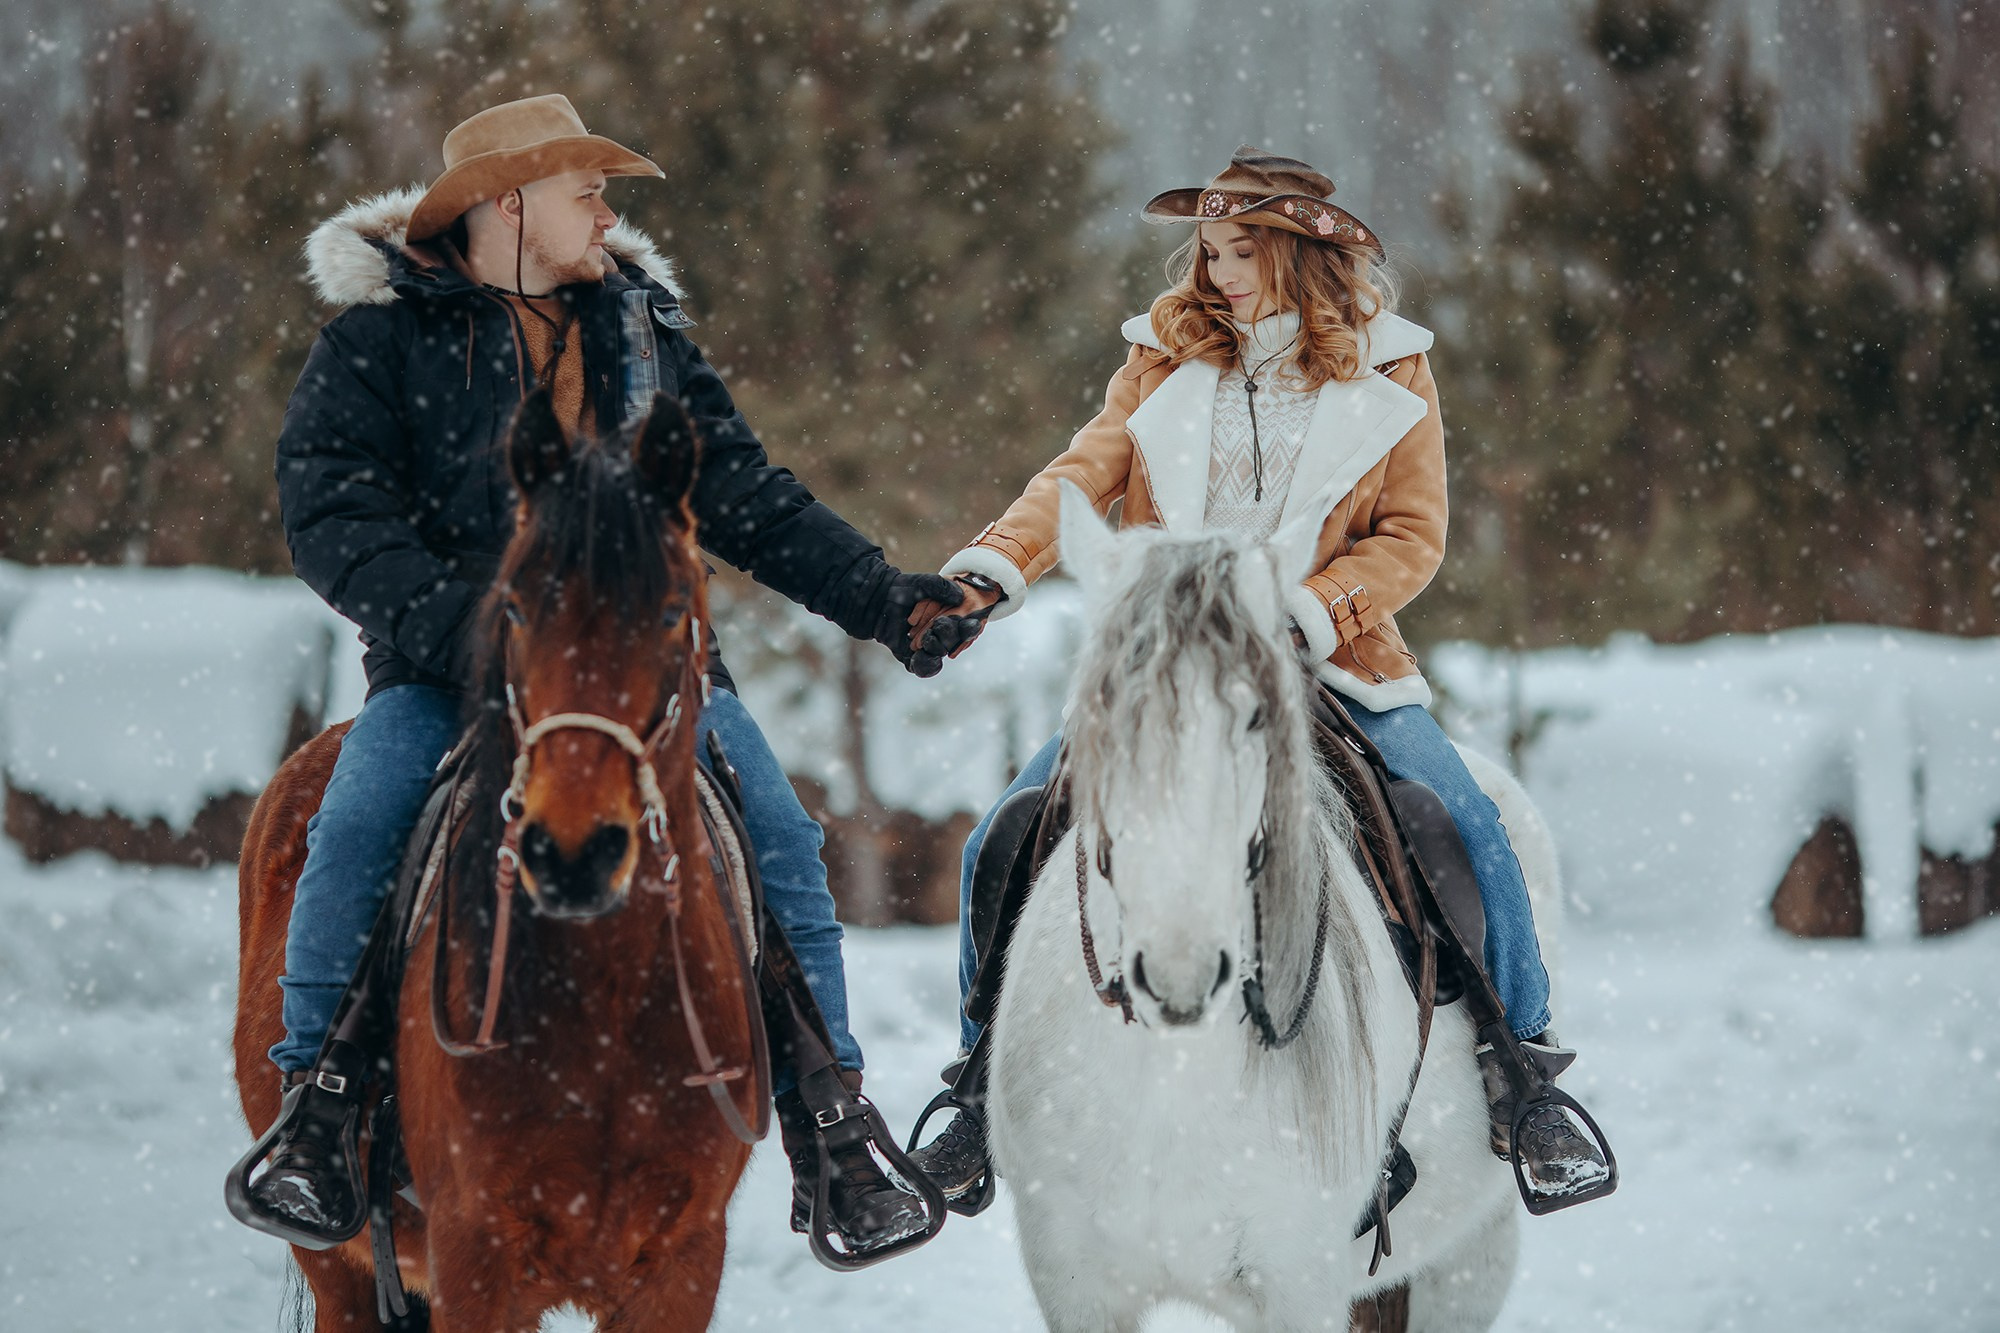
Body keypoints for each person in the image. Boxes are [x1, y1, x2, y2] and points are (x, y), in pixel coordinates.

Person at [238, 94, 961, 1255]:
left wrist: (884, 599)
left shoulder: (640, 329)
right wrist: (466, 630)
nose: (606, 209)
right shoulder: (375, 340)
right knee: (356, 823)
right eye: (587, 188)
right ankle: (319, 1114)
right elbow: (332, 514)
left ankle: (832, 1125)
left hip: (645, 681)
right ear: (508, 202)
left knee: (778, 837)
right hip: (446, 670)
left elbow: (742, 494)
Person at [907, 146, 1609, 1205]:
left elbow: (1411, 537)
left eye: (1240, 249)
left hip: (1327, 661)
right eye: (1208, 249)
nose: (1218, 269)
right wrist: (994, 568)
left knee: (1458, 818)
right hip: (1174, 664)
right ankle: (973, 1086)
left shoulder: (1393, 367)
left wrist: (1306, 610)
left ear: (1295, 253)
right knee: (1007, 824)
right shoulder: (1158, 358)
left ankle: (1523, 1074)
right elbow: (1081, 475)